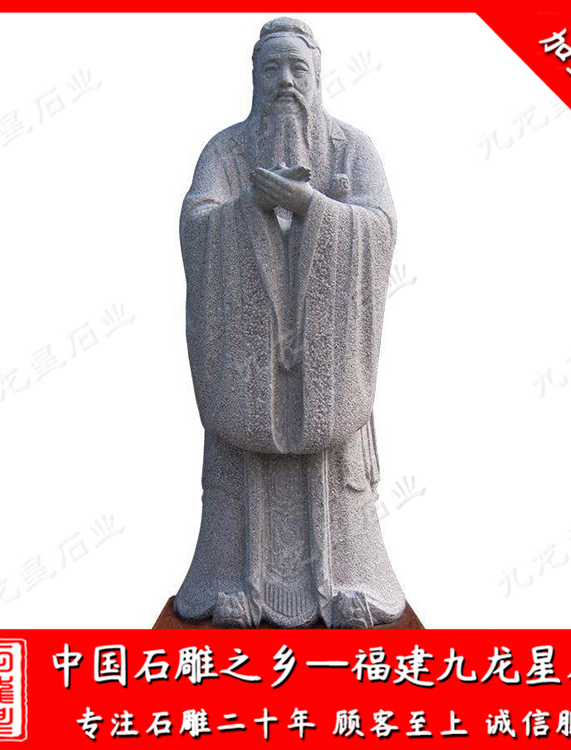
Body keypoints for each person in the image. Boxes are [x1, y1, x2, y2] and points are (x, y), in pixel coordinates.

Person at [176, 17, 405, 627]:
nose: (284, 82)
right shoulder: (225, 152)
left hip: (326, 357)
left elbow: (380, 229)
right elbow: (197, 227)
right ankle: (235, 583)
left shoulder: (352, 149)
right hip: (249, 357)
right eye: (270, 69)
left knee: (335, 468)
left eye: (296, 69)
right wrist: (250, 207)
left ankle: (347, 580)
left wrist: (314, 210)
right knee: (241, 466)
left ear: (317, 77)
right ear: (253, 78)